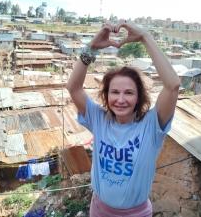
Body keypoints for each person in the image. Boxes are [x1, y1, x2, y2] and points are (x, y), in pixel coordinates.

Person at [66, 20, 180, 217]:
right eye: (114, 92)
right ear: (106, 96)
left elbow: (173, 86)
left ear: (138, 97)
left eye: (128, 93)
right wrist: (92, 47)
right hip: (99, 209)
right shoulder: (99, 120)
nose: (120, 99)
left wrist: (145, 37)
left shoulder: (151, 126)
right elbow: (73, 88)